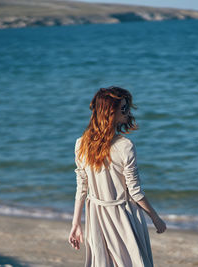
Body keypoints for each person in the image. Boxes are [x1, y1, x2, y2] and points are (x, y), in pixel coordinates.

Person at [68, 86, 166, 267]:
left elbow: (81, 188)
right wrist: (156, 218)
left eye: (127, 106)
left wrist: (76, 224)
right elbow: (135, 192)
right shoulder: (125, 146)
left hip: (96, 216)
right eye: (124, 108)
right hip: (124, 217)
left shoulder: (80, 144)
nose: (128, 111)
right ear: (110, 113)